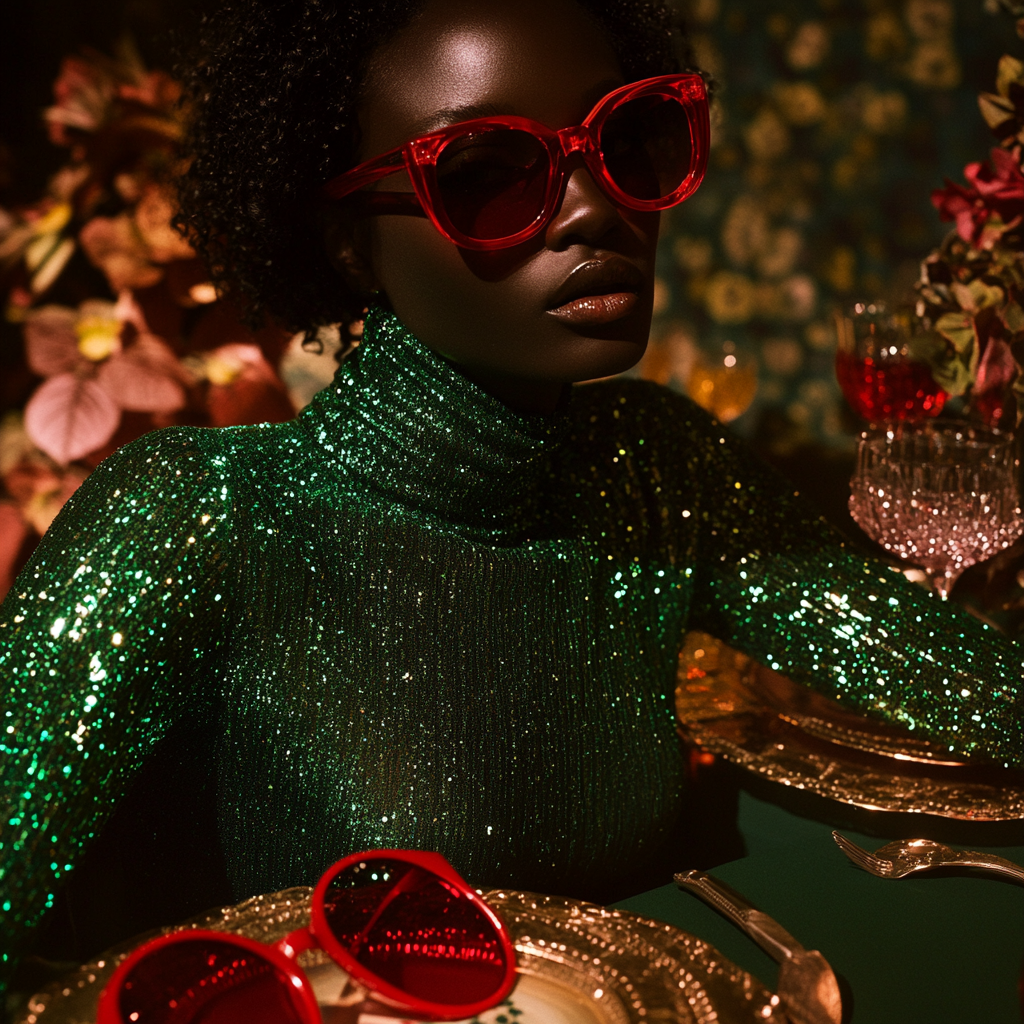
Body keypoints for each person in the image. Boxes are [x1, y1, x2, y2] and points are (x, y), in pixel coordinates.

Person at [1, 0, 1021, 996]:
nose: (594, 208)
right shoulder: (198, 512)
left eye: (632, 137)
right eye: (488, 175)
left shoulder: (656, 465)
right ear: (349, 242)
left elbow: (967, 683)